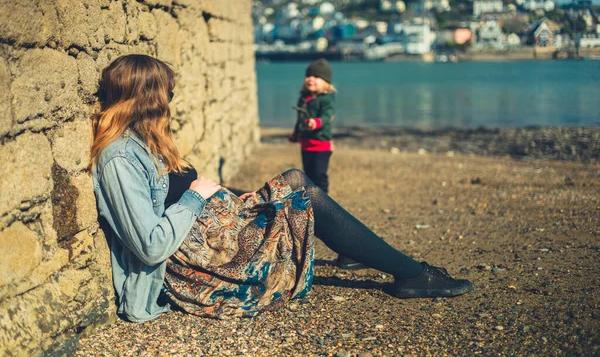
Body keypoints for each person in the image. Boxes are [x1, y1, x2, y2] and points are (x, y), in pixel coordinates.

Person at [91, 54, 472, 323]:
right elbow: (150, 244)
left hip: (218, 230)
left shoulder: (145, 141)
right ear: (151, 99)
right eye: (168, 95)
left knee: (295, 186)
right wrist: (197, 195)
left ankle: (370, 257)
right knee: (301, 187)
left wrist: (226, 194)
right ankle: (409, 273)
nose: (171, 103)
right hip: (208, 259)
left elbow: (177, 192)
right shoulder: (120, 158)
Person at [288, 59, 362, 270]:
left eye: (317, 77)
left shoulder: (327, 99)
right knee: (308, 174)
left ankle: (322, 195)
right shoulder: (304, 97)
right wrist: (296, 133)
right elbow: (300, 119)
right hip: (306, 144)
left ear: (326, 83)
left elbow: (327, 116)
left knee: (319, 174)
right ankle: (312, 193)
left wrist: (316, 122)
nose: (311, 79)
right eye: (309, 76)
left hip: (321, 145)